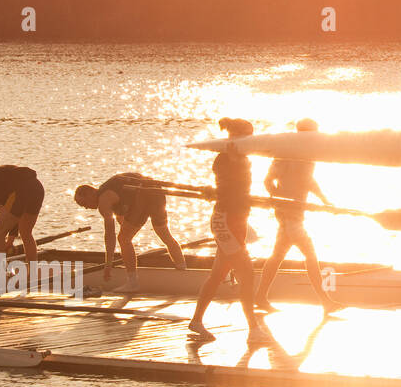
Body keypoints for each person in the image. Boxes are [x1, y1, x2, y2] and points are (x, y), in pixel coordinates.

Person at [188, 118, 271, 345]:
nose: (250, 140)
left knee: (217, 275)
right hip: (225, 220)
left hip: (238, 219)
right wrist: (234, 161)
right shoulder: (225, 159)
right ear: (235, 136)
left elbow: (237, 189)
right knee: (247, 274)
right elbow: (228, 188)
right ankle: (253, 330)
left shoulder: (241, 158)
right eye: (246, 136)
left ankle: (196, 321)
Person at [255, 118, 341, 314]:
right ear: (306, 133)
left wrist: (325, 200)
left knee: (277, 255)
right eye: (314, 132)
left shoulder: (307, 154)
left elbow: (308, 180)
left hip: (295, 213)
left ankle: (260, 296)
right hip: (289, 214)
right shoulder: (287, 153)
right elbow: (269, 180)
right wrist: (278, 199)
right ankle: (326, 302)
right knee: (310, 255)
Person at [74, 173, 187, 292]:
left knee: (123, 239)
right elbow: (122, 218)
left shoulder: (103, 201)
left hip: (143, 196)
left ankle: (133, 283)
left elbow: (110, 236)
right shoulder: (113, 192)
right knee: (164, 234)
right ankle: (183, 270)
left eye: (83, 203)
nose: (86, 208)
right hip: (156, 190)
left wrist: (108, 265)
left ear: (91, 193)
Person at [0, 165, 45, 265]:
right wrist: (11, 239)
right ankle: (32, 273)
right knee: (26, 232)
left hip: (22, 189)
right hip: (37, 187)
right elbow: (14, 215)